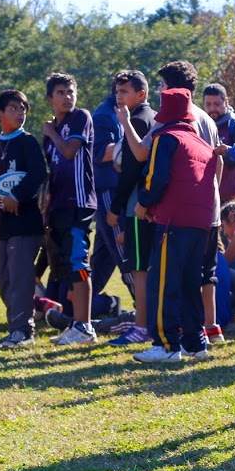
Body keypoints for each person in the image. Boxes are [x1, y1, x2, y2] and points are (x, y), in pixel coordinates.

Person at [132, 88, 219, 362]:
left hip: (173, 221)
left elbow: (155, 179)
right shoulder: (203, 144)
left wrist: (144, 204)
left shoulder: (165, 138)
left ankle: (165, 345)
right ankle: (195, 342)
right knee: (190, 283)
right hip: (201, 223)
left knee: (163, 282)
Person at [0, 89, 49, 347]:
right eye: (14, 108)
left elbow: (38, 174)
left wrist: (17, 196)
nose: (20, 113)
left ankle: (24, 332)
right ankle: (15, 328)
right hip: (2, 225)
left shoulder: (27, 142)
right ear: (0, 114)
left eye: (23, 109)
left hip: (25, 223)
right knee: (6, 279)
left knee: (21, 278)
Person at [42, 72, 99, 345]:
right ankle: (77, 323)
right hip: (60, 206)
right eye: (61, 93)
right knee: (66, 266)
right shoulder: (50, 132)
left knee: (79, 261)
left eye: (71, 92)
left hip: (79, 202)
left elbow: (69, 152)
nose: (67, 97)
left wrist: (51, 132)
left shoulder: (81, 117)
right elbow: (53, 170)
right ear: (50, 98)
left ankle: (86, 326)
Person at [108, 70, 157, 346]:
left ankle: (142, 327)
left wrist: (115, 206)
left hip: (136, 204)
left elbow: (130, 169)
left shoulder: (137, 120)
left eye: (124, 91)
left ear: (141, 94)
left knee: (139, 269)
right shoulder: (151, 118)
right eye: (117, 91)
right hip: (148, 203)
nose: (119, 96)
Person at [91, 84, 134, 311]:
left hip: (123, 191)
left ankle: (83, 306)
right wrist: (135, 145)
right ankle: (143, 305)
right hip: (110, 191)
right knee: (123, 247)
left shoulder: (127, 112)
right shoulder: (104, 115)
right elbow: (100, 152)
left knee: (103, 254)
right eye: (123, 91)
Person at [204, 83, 235, 201]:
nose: (212, 109)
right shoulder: (202, 126)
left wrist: (218, 153)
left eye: (217, 104)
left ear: (226, 102)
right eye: (208, 104)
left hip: (233, 198)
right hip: (209, 194)